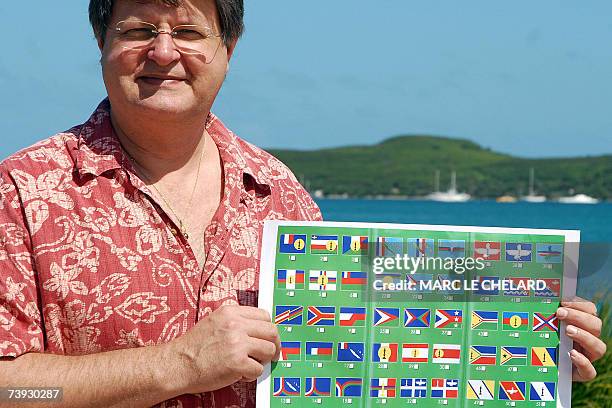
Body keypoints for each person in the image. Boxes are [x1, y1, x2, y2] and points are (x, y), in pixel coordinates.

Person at [0, 1, 606, 407]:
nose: (163, 52)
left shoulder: (280, 191)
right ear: (100, 43)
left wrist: (528, 351)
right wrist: (176, 365)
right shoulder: (23, 190)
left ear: (228, 47)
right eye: (138, 31)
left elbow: (362, 366)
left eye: (187, 32)